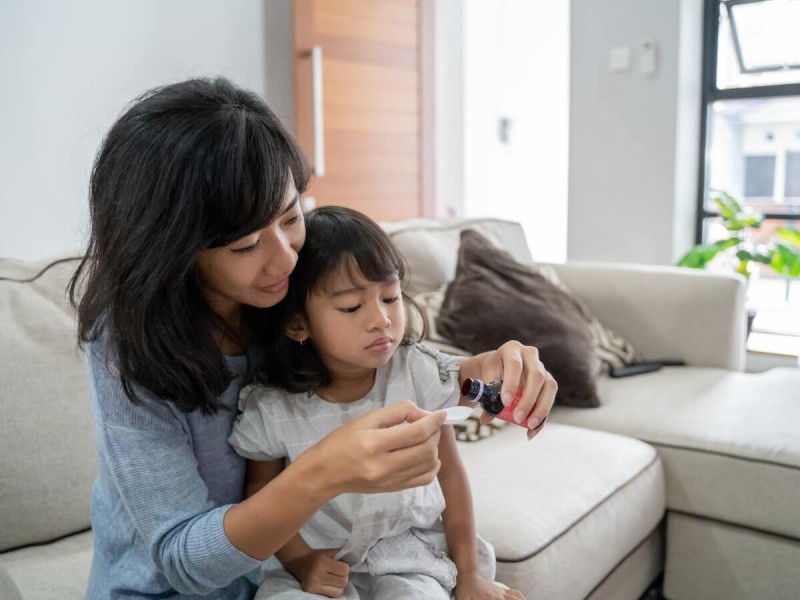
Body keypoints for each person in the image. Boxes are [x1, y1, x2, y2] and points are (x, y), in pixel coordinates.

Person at [68, 77, 557, 600]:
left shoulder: (287, 291)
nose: (285, 259)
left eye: (291, 216)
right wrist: (325, 470)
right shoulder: (126, 345)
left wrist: (492, 367)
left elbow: (409, 366)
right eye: (247, 244)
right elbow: (185, 564)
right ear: (174, 250)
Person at [228, 206, 526, 600]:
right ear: (298, 324)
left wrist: (470, 575)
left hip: (409, 557)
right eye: (352, 307)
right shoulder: (272, 407)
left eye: (390, 297)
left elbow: (450, 478)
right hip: (314, 563)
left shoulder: (416, 374)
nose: (381, 319)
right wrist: (301, 562)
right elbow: (261, 491)